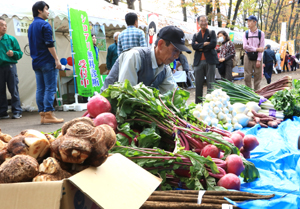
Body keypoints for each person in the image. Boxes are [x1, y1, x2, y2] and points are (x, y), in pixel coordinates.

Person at [101, 25, 192, 94]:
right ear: (160, 45)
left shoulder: (165, 68)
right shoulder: (135, 56)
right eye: (175, 50)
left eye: (179, 52)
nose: (177, 56)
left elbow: (173, 94)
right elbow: (126, 94)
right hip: (107, 110)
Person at [28, 1, 64, 124]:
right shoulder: (45, 24)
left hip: (36, 61)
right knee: (50, 88)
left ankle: (43, 114)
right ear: (40, 10)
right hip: (47, 61)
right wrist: (57, 59)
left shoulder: (31, 26)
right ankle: (48, 113)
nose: (48, 12)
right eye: (46, 9)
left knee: (41, 89)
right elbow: (49, 44)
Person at [0, 17, 23, 119]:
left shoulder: (11, 39)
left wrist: (13, 53)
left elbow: (20, 53)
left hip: (10, 67)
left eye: (5, 25)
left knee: (13, 89)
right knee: (0, 90)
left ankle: (17, 111)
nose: (4, 27)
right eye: (2, 25)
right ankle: (3, 112)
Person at [192, 15, 218, 104]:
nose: (203, 22)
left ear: (207, 22)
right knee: (198, 85)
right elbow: (193, 46)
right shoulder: (195, 35)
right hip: (198, 62)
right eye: (201, 21)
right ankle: (198, 105)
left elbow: (213, 44)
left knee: (211, 84)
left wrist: (200, 46)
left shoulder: (212, 32)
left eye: (205, 21)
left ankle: (210, 104)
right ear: (198, 23)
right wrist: (205, 44)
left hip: (210, 61)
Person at [242, 15, 265, 90]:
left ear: (255, 22)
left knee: (258, 76)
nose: (248, 23)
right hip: (247, 56)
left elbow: (261, 48)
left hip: (258, 56)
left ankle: (257, 92)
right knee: (247, 76)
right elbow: (245, 46)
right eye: (247, 21)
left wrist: (258, 59)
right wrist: (256, 49)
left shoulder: (261, 33)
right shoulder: (245, 33)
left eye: (249, 21)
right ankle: (249, 91)